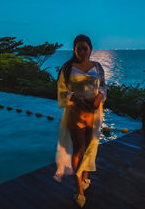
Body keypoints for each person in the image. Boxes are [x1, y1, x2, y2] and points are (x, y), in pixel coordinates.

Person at [53, 35, 107, 207]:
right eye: (79, 48)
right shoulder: (68, 67)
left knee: (90, 147)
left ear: (90, 49)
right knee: (79, 150)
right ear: (74, 50)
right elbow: (62, 90)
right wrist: (75, 98)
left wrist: (100, 96)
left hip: (94, 113)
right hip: (76, 113)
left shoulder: (97, 67)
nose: (83, 51)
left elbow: (103, 86)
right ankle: (79, 190)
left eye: (85, 48)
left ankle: (85, 177)